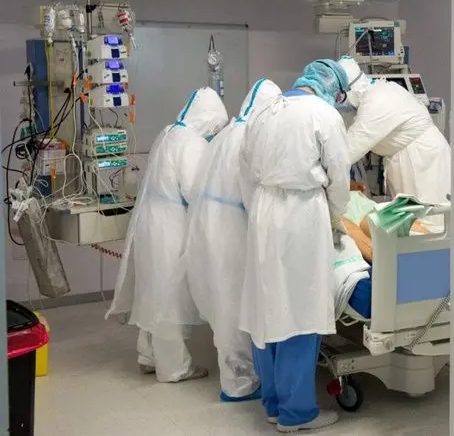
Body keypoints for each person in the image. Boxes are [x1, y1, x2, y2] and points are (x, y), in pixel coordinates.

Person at [240, 60, 350, 432]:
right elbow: (339, 176)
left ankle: (273, 404)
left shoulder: (264, 112)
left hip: (263, 211)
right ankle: (297, 413)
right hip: (302, 213)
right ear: (334, 89)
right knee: (301, 310)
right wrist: (336, 218)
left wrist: (258, 209)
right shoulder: (324, 114)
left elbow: (245, 169)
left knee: (267, 307)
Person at [107, 86, 229, 382]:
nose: (214, 132)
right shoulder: (192, 143)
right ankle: (174, 367)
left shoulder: (169, 132)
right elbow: (195, 191)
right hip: (170, 227)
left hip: (151, 222)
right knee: (169, 297)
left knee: (152, 291)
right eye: (216, 126)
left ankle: (148, 355)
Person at [181, 78, 281, 401]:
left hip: (208, 225)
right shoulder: (250, 137)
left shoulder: (227, 133)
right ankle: (239, 383)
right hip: (231, 232)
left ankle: (236, 374)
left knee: (223, 301)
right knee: (236, 304)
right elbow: (255, 196)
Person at [337, 56, 451, 209]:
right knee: (412, 215)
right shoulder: (379, 90)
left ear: (349, 89)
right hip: (413, 157)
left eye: (337, 97)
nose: (337, 102)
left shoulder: (377, 101)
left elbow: (348, 151)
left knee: (427, 215)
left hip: (422, 161)